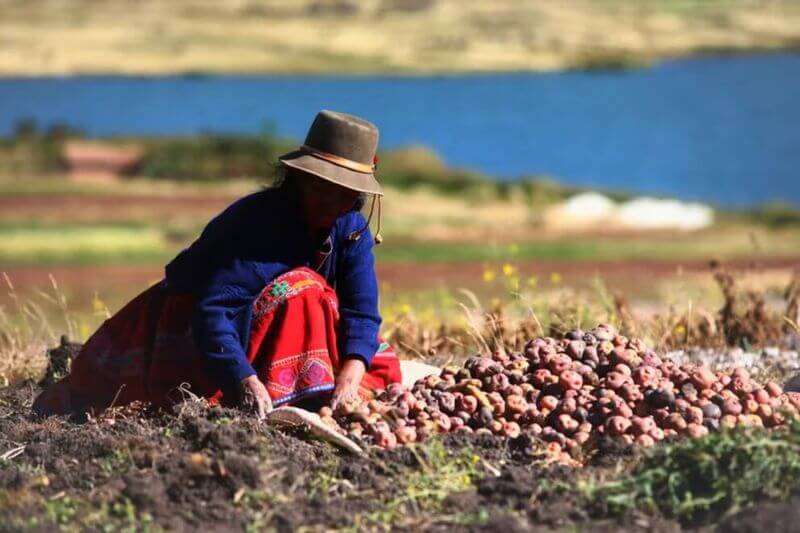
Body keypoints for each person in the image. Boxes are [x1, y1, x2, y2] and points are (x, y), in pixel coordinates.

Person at [33, 110, 402, 418]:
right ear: (299, 179)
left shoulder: (352, 230)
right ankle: (294, 389)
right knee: (304, 289)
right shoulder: (259, 224)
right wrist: (245, 381)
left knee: (375, 359)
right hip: (196, 324)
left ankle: (311, 385)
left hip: (271, 327)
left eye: (345, 194)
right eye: (322, 188)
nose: (332, 202)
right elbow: (214, 312)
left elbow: (361, 311)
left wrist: (350, 377)